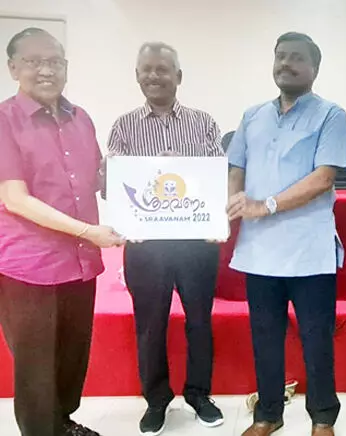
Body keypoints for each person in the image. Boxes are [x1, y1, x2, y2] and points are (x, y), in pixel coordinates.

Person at [226, 31, 346, 436]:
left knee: (317, 340)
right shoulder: (252, 116)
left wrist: (266, 205)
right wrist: (234, 201)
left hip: (308, 250)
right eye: (281, 56)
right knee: (265, 338)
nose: (286, 64)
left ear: (314, 68)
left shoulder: (331, 115)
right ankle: (268, 413)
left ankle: (323, 417)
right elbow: (236, 166)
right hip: (259, 250)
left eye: (297, 57)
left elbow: (324, 177)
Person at [0, 28, 124, 436]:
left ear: (66, 67)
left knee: (73, 356)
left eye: (54, 61)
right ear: (13, 67)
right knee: (36, 368)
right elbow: (15, 198)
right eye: (33, 61)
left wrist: (143, 178)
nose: (45, 70)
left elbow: (93, 180)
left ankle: (62, 423)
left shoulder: (81, 118)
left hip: (80, 264)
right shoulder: (4, 121)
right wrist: (88, 230)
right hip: (30, 267)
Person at [104, 42, 225, 435]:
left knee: (199, 321)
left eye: (162, 69)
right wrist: (119, 205)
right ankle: (156, 400)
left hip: (195, 244)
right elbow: (114, 186)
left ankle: (199, 394)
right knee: (150, 324)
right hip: (145, 246)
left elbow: (216, 179)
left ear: (178, 77)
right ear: (137, 75)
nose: (153, 76)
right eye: (147, 69)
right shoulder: (124, 126)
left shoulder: (204, 123)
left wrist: (215, 221)